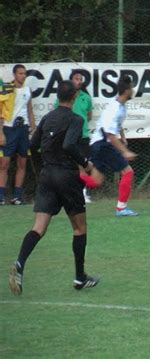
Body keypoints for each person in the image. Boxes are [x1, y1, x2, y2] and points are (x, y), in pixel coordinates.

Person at [8, 80, 99, 295]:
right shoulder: (76, 119)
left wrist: (48, 158)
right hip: (66, 176)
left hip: (47, 175)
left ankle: (20, 263)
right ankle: (79, 277)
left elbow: (32, 145)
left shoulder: (48, 118)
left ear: (57, 97)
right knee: (79, 228)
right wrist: (86, 164)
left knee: (38, 228)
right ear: (75, 97)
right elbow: (68, 145)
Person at [80, 75, 138, 216]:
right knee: (128, 172)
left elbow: (116, 127)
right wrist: (124, 151)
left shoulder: (119, 105)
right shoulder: (115, 108)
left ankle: (70, 175)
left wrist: (123, 138)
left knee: (95, 182)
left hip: (98, 144)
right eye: (131, 88)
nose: (133, 91)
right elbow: (110, 135)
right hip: (102, 144)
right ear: (126, 91)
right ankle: (121, 208)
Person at [55, 70, 93, 203]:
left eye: (81, 79)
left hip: (83, 134)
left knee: (83, 163)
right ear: (71, 81)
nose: (79, 81)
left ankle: (82, 192)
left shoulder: (86, 97)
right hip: (68, 136)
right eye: (76, 79)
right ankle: (67, 192)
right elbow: (58, 114)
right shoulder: (64, 99)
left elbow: (89, 115)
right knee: (70, 165)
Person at [0, 64, 36, 205]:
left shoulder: (27, 90)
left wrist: (32, 127)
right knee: (4, 163)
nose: (23, 76)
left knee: (22, 162)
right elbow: (1, 111)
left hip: (23, 128)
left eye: (24, 73)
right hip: (9, 128)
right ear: (15, 75)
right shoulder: (6, 89)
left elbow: (30, 110)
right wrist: (1, 132)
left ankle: (17, 196)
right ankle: (1, 195)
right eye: (20, 73)